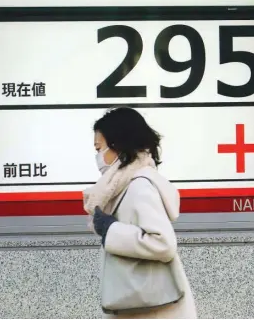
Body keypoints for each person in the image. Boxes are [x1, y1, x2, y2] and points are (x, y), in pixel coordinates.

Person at [82, 107, 197, 319]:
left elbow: (163, 243)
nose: (98, 156)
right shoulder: (123, 187)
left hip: (155, 310)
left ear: (118, 146)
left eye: (99, 149)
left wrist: (111, 231)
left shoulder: (139, 186)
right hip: (143, 306)